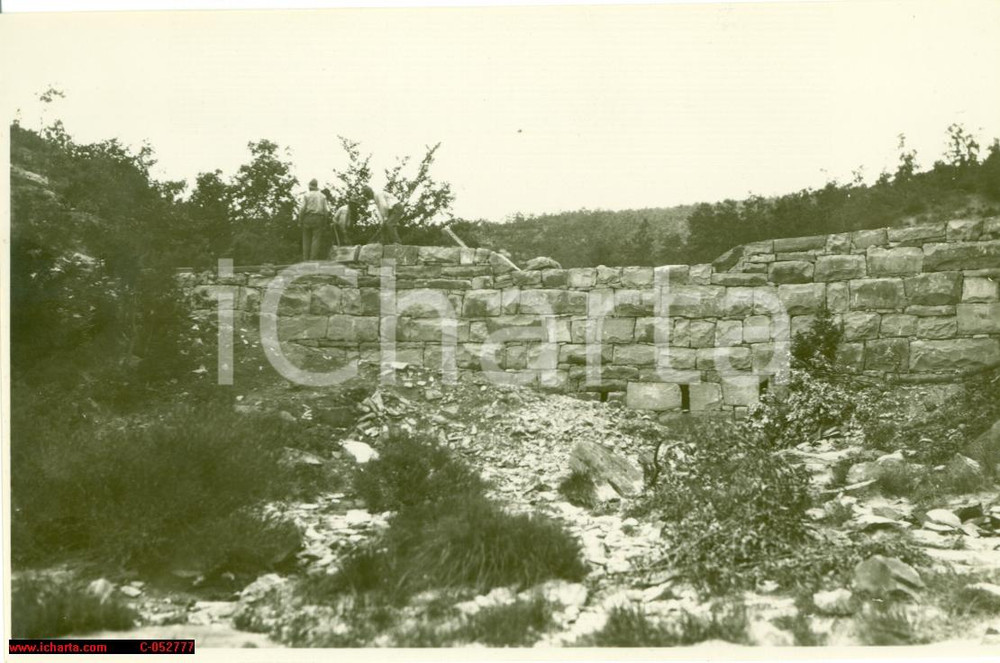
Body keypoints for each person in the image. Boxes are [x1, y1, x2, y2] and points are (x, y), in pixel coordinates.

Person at [297, 179, 330, 260]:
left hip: (307, 217)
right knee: (316, 239)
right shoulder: (322, 196)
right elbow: (326, 211)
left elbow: (302, 209)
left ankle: (305, 259)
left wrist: (300, 220)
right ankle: (312, 260)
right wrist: (325, 223)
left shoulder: (306, 195)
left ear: (310, 186)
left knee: (306, 239)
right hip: (318, 218)